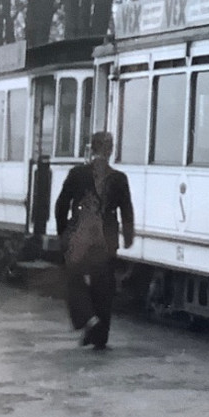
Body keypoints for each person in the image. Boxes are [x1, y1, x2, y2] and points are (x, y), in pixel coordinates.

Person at [54, 131, 135, 349]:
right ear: (110, 150)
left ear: (92, 149)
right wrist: (128, 237)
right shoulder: (119, 178)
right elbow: (127, 210)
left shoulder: (77, 174)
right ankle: (100, 336)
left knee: (73, 279)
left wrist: (63, 232)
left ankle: (89, 319)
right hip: (106, 241)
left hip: (79, 239)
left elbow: (61, 204)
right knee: (104, 287)